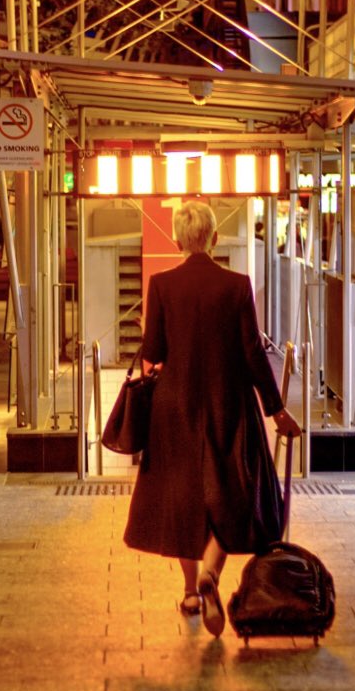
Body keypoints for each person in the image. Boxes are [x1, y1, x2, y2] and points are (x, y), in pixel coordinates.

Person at [123, 200, 301, 637]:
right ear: (215, 238)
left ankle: (189, 592)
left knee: (184, 495)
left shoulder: (161, 284)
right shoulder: (237, 285)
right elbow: (253, 354)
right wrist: (275, 408)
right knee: (235, 491)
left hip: (175, 406)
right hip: (230, 404)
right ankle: (211, 576)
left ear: (178, 240)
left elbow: (154, 352)